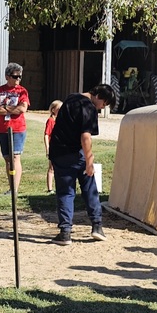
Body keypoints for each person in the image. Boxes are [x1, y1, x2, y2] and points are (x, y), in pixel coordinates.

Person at [48, 84, 116, 246]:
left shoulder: (70, 98)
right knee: (89, 189)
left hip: (59, 151)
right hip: (77, 153)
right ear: (98, 96)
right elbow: (85, 136)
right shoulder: (89, 108)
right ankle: (97, 226)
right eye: (104, 104)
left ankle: (65, 232)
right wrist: (89, 160)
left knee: (65, 192)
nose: (101, 108)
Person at [0, 63, 29, 194]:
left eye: (20, 77)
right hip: (2, 128)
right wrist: (13, 109)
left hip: (18, 128)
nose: (18, 79)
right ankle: (11, 187)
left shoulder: (22, 91)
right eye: (15, 76)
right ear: (7, 76)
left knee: (15, 157)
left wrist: (5, 108)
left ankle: (15, 190)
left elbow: (22, 108)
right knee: (7, 158)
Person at [44, 100, 62, 194]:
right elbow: (46, 134)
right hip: (53, 147)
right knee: (51, 168)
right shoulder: (51, 121)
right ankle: (50, 188)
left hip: (61, 146)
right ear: (53, 110)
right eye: (59, 109)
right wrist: (47, 147)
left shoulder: (62, 120)